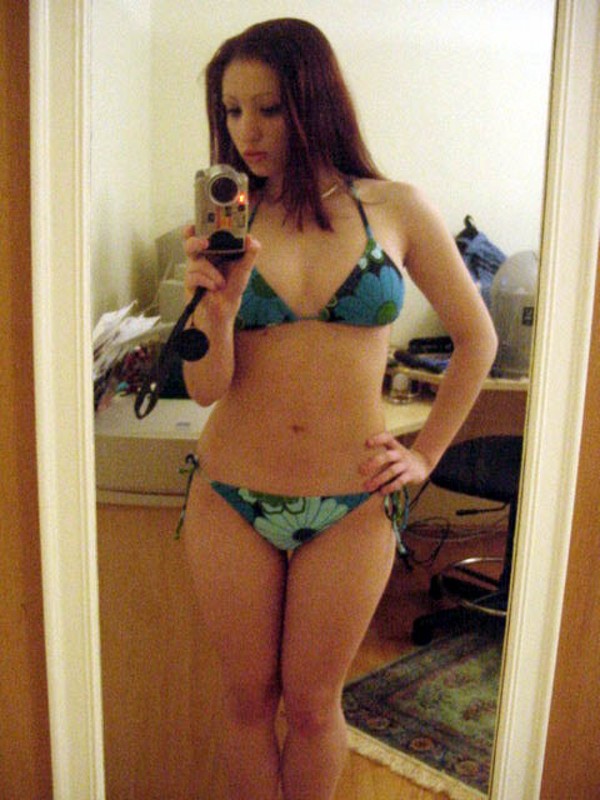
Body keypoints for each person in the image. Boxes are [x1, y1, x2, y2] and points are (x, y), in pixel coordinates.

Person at [181, 17, 497, 800]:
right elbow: (205, 387)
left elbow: (476, 339)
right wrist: (216, 310)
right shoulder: (229, 221)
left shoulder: (395, 207)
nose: (248, 132)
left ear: (314, 102)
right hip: (230, 492)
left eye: (269, 108)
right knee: (247, 702)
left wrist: (425, 453)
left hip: (352, 501)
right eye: (232, 110)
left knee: (316, 705)